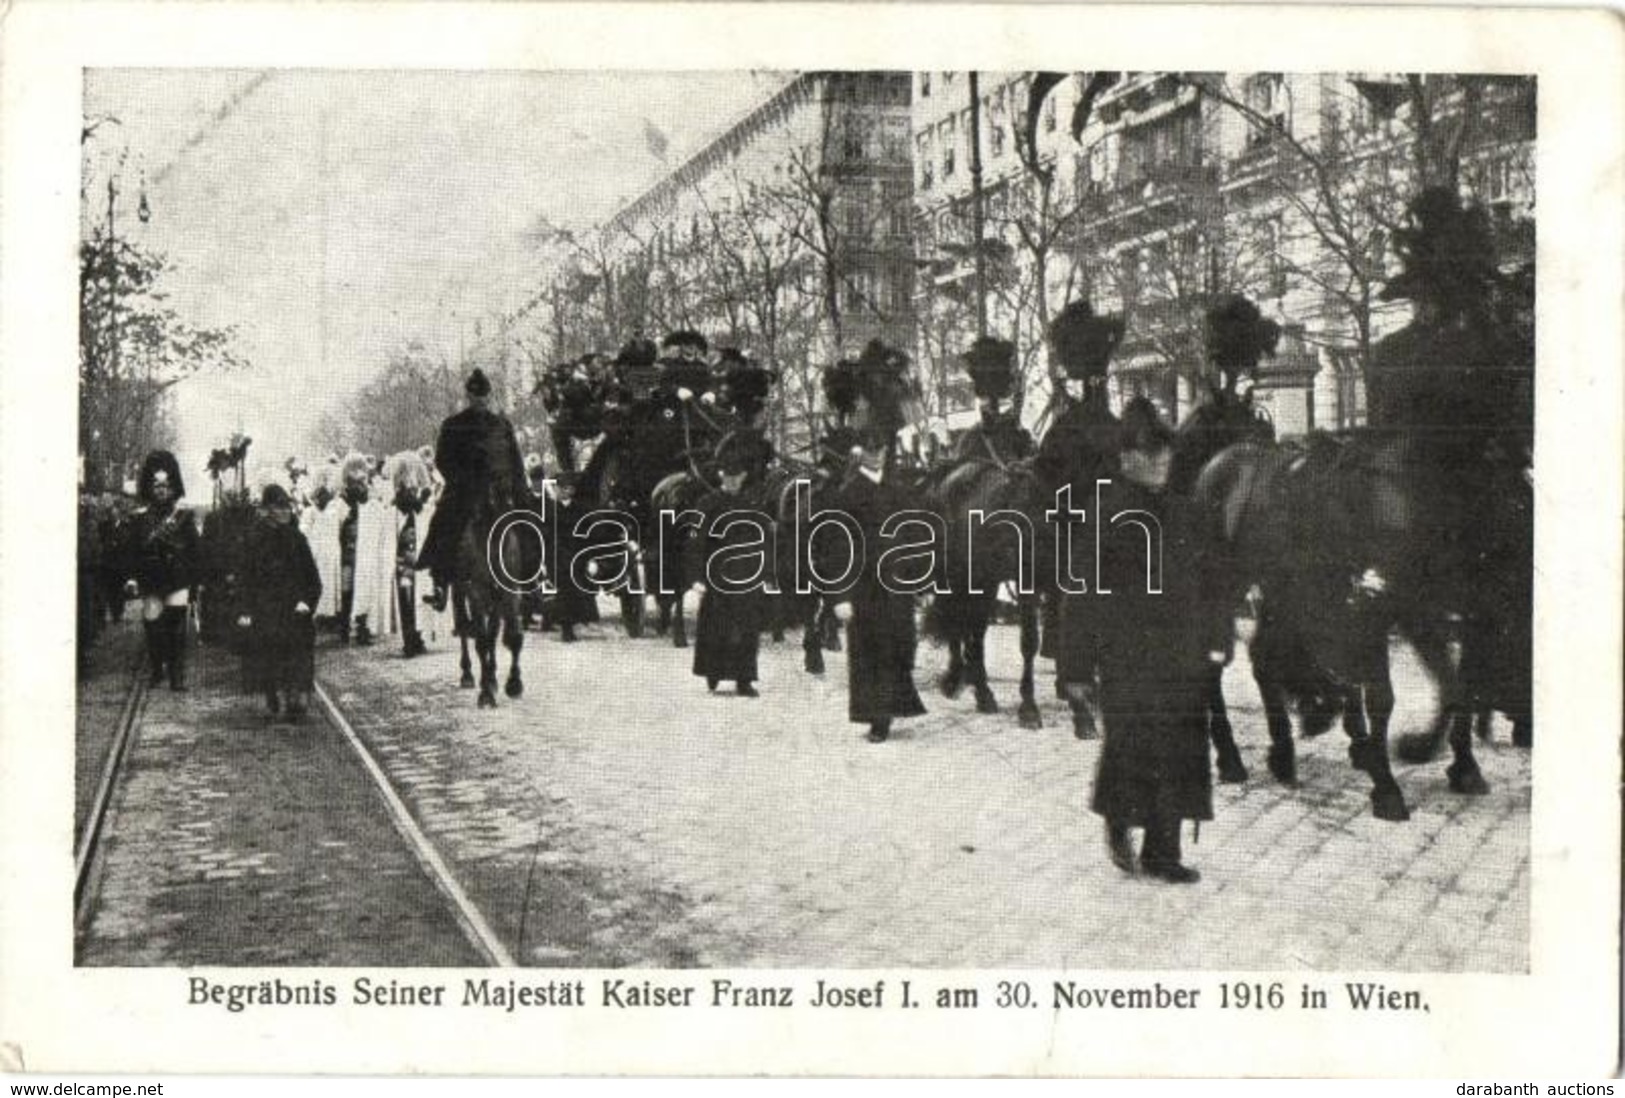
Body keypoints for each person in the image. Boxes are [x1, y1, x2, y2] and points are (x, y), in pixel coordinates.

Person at [1082, 398, 1230, 883]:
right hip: (1128, 658)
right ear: (1127, 458)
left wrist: (1219, 638)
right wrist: (1076, 669)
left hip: (1183, 655)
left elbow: (1213, 581)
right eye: (1151, 452)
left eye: (1166, 451)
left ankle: (1163, 852)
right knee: (1132, 745)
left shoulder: (1186, 511)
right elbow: (1082, 594)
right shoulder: (1107, 514)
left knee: (1183, 748)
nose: (1163, 461)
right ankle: (1119, 820)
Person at [824, 344, 927, 744]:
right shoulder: (849, 493)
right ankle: (877, 717)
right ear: (860, 450)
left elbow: (912, 533)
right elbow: (836, 550)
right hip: (864, 588)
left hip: (895, 585)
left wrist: (918, 574)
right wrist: (840, 596)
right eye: (870, 448)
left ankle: (894, 708)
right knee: (869, 652)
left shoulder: (898, 489)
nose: (876, 455)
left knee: (898, 647)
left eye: (880, 448)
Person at [417, 368, 529, 611]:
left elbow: (515, 460)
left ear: (489, 396)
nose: (480, 401)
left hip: (499, 490)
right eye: (476, 397)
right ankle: (440, 583)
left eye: (484, 396)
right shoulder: (453, 425)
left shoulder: (501, 424)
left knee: (531, 523)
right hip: (465, 491)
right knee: (443, 522)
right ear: (468, 396)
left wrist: (519, 488)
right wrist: (463, 480)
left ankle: (535, 579)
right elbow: (443, 461)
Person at [685, 429, 774, 696]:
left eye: (738, 477)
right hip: (717, 578)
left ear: (744, 477)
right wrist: (696, 578)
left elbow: (764, 542)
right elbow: (695, 543)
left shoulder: (752, 505)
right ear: (721, 476)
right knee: (716, 627)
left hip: (747, 576)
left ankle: (745, 679)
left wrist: (767, 572)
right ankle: (713, 671)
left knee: (747, 628)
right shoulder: (706, 504)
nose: (733, 481)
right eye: (728, 476)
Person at [237, 484, 321, 722]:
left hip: (294, 609)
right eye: (279, 507)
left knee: (299, 644)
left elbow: (312, 579)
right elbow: (244, 579)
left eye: (287, 507)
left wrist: (307, 601)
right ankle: (271, 693)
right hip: (264, 610)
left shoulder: (297, 540)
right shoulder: (253, 541)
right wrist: (244, 610)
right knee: (266, 648)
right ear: (267, 510)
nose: (286, 512)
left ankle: (297, 692)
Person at [118, 450, 200, 690]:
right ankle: (157, 669)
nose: (162, 490)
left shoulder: (183, 517)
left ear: (173, 488)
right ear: (150, 488)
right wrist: (132, 577)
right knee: (154, 627)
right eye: (156, 485)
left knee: (176, 630)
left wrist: (195, 581)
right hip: (151, 579)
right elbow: (131, 550)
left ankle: (176, 676)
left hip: (177, 578)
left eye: (166, 485)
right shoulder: (139, 518)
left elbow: (195, 550)